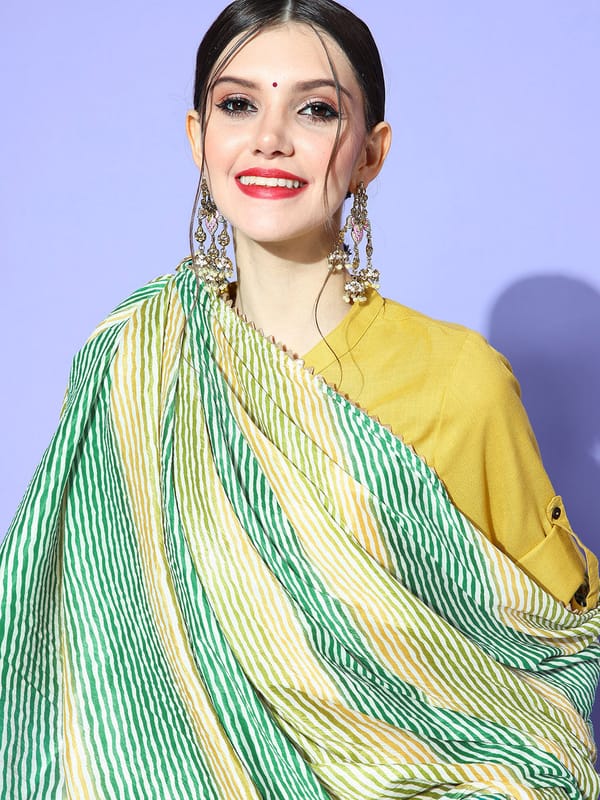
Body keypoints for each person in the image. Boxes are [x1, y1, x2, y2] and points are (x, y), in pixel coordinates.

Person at [1, 1, 599, 798]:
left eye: (315, 110)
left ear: (370, 153)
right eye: (238, 104)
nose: (270, 138)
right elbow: (68, 644)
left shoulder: (457, 381)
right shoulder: (133, 362)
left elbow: (549, 644)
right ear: (197, 138)